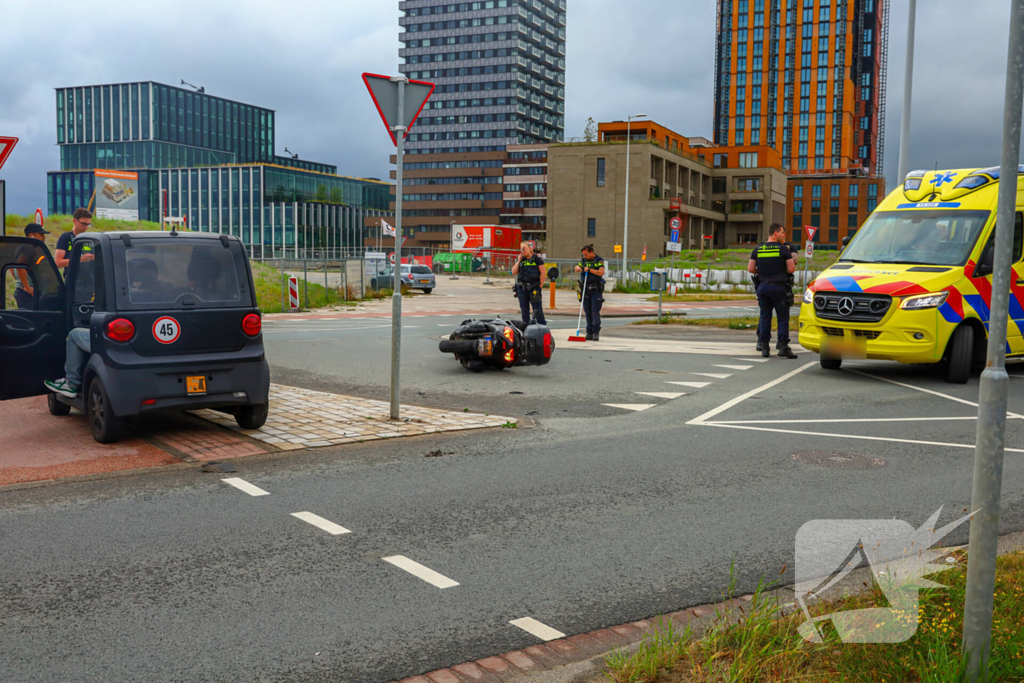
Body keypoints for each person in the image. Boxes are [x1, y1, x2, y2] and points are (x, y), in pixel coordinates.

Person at [748, 224, 798, 359]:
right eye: (782, 232)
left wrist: (763, 272)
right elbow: (791, 269)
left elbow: (751, 268)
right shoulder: (783, 249)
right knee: (782, 317)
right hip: (779, 287)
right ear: (776, 233)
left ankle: (764, 346)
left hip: (763, 287)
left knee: (765, 316)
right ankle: (783, 346)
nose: (783, 235)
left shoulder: (758, 249)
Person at [13, 223, 51, 310]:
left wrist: (20, 282)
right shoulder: (29, 247)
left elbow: (12, 267)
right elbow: (20, 266)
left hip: (22, 291)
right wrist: (27, 287)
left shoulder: (20, 247)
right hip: (29, 293)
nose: (44, 237)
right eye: (41, 234)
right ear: (31, 235)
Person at [575, 244, 606, 341]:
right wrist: (578, 268)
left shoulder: (598, 260)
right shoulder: (584, 261)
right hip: (585, 288)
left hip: (595, 289)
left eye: (586, 254)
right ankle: (589, 331)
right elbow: (577, 267)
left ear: (591, 252)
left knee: (594, 311)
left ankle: (596, 331)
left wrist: (590, 270)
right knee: (587, 311)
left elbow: (601, 272)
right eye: (583, 255)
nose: (585, 256)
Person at [511, 241, 547, 326]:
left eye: (524, 249)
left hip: (534, 288)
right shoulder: (521, 260)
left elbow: (543, 273)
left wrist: (540, 287)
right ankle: (526, 327)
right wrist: (518, 261)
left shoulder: (537, 260)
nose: (523, 251)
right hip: (522, 289)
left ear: (530, 249)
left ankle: (542, 327)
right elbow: (513, 272)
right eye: (521, 249)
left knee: (537, 309)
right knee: (524, 310)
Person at [54, 208, 94, 274]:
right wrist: (80, 259)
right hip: (72, 280)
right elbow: (58, 263)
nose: (86, 227)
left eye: (88, 224)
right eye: (84, 224)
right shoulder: (65, 238)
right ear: (75, 221)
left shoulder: (90, 238)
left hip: (90, 280)